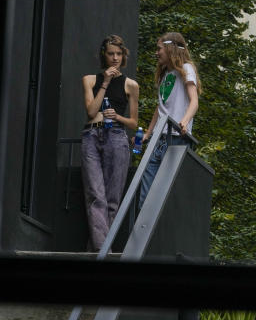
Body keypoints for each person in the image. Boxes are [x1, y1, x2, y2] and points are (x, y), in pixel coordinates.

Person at [81, 35, 139, 251]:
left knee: (113, 199)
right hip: (91, 136)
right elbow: (91, 112)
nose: (115, 58)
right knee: (96, 196)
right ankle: (102, 251)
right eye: (110, 53)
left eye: (118, 54)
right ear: (103, 56)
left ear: (123, 56)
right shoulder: (90, 80)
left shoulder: (131, 85)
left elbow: (133, 123)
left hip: (116, 136)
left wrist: (117, 117)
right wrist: (105, 82)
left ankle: (97, 249)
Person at [138, 32, 201, 206]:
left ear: (170, 48)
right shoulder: (165, 75)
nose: (156, 53)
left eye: (159, 49)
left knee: (166, 194)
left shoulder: (186, 69)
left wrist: (185, 121)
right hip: (159, 139)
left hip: (176, 139)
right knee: (146, 193)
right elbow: (160, 108)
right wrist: (148, 133)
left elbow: (194, 101)